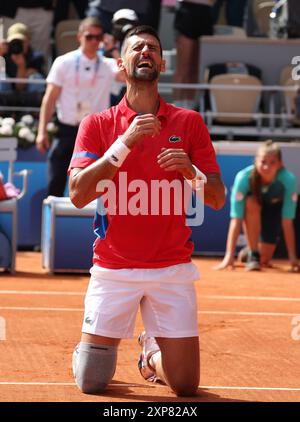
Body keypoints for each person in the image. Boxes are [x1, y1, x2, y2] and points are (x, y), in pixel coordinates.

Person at [69, 25, 225, 396]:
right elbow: (77, 194)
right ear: (121, 64)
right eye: (136, 48)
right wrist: (125, 142)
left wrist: (192, 172)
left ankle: (149, 352)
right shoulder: (98, 124)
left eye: (152, 48)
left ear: (162, 62)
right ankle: (91, 347)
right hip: (113, 267)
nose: (145, 52)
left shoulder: (189, 123)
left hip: (171, 268)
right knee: (92, 381)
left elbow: (217, 198)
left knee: (185, 387)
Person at [36, 17, 124, 197]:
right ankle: (53, 221)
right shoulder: (63, 62)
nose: (94, 41)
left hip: (95, 132)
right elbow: (50, 98)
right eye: (89, 36)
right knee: (56, 181)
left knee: (95, 184)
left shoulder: (107, 64)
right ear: (79, 37)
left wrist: (113, 50)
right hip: (67, 128)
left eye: (98, 37)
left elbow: (128, 76)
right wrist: (41, 131)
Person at [214, 140, 299, 272]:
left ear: (280, 164)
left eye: (272, 162)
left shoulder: (288, 180)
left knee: (264, 259)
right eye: (263, 162)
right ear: (255, 161)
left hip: (274, 212)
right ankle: (253, 254)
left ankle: (248, 252)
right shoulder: (243, 178)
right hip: (252, 211)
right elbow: (237, 219)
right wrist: (228, 256)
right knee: (251, 202)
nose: (266, 167)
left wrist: (292, 258)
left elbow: (287, 222)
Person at [173, 0, 214, 110]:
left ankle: (189, 107)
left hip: (206, 13)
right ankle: (177, 106)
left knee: (196, 68)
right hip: (187, 13)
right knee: (183, 67)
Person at [0, 22, 45, 94]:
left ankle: (34, 105)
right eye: (14, 41)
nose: (17, 45)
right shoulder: (4, 55)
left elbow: (20, 86)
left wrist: (21, 66)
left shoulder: (36, 58)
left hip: (28, 96)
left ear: (28, 41)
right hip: (5, 95)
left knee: (36, 78)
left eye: (21, 41)